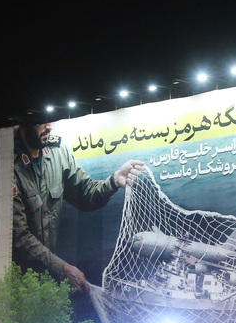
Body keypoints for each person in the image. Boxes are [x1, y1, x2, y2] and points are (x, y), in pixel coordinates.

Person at [12, 120, 146, 293]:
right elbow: (20, 237)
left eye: (50, 121)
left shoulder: (58, 153)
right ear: (25, 124)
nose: (49, 127)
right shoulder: (11, 165)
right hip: (20, 283)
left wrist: (114, 181)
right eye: (41, 122)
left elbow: (86, 194)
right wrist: (62, 268)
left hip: (50, 280)